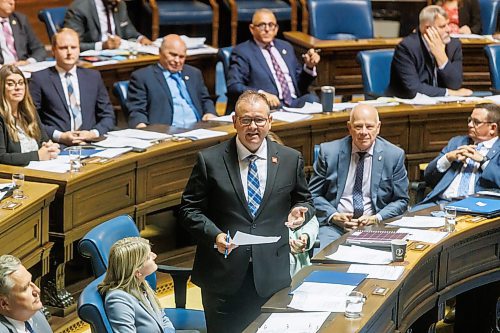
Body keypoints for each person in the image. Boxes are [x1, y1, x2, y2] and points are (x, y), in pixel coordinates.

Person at [179, 90, 315, 332]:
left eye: (259, 120)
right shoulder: (210, 160)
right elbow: (189, 209)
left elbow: (305, 200)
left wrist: (300, 211)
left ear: (269, 121)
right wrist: (215, 235)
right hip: (223, 276)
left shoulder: (289, 159)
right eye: (246, 120)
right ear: (234, 122)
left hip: (272, 274)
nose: (253, 127)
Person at [309, 104, 409, 250]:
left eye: (369, 126)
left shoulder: (394, 155)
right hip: (334, 227)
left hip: (377, 225)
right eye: (358, 126)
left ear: (378, 127)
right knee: (326, 260)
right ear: (349, 127)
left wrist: (376, 218)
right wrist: (334, 216)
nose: (363, 132)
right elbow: (312, 194)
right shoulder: (329, 152)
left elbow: (402, 200)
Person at [29, 28, 115, 147]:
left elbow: (108, 115)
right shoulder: (40, 79)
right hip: (57, 145)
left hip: (92, 143)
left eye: (73, 47)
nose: (69, 52)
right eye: (63, 48)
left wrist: (93, 133)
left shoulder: (93, 77)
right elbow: (31, 119)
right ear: (53, 50)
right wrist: (60, 136)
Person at [227, 8, 320, 113]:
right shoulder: (243, 52)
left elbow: (300, 85)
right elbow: (234, 86)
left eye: (271, 25)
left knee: (312, 100)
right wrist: (260, 95)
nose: (267, 29)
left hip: (294, 103)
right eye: (262, 25)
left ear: (276, 29)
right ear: (252, 29)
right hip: (269, 108)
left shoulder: (286, 47)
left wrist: (309, 66)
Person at [414, 103, 499, 210]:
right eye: (469, 120)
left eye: (476, 122)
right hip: (441, 203)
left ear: (493, 128)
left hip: (476, 208)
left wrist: (483, 161)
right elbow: (428, 176)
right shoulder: (457, 142)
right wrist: (448, 158)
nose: (470, 125)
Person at [127, 34, 216, 129]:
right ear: (160, 52)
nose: (177, 60)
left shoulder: (193, 73)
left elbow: (205, 99)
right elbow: (137, 111)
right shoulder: (143, 77)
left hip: (199, 129)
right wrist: (142, 128)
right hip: (166, 132)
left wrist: (210, 113)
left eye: (182, 57)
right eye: (173, 55)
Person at [97, 237, 184, 333]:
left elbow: (161, 316)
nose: (154, 256)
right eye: (148, 257)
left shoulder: (142, 284)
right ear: (137, 272)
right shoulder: (118, 300)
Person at [387, 5, 473, 99]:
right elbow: (413, 89)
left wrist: (441, 57)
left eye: (448, 24)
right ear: (427, 29)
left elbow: (455, 85)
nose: (448, 30)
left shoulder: (453, 46)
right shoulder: (407, 48)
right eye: (442, 26)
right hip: (406, 107)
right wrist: (448, 92)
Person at [0, 65, 59, 166]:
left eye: (21, 83)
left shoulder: (30, 112)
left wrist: (49, 147)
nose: (17, 87)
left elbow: (44, 141)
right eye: (10, 84)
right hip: (14, 175)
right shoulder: (1, 118)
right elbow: (1, 157)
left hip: (39, 168)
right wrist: (37, 156)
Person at [64, 0, 152, 51]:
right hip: (93, 60)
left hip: (119, 56)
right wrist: (102, 46)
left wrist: (140, 38)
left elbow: (129, 31)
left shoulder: (120, 4)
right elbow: (71, 44)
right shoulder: (80, 8)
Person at [0, 255, 53, 333]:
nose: (37, 290)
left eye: (31, 281)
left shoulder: (35, 314)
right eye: (25, 288)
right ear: (4, 303)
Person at [0, 0, 46, 65]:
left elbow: (39, 49)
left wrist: (28, 62)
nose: (12, 2)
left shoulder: (20, 20)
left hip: (22, 68)